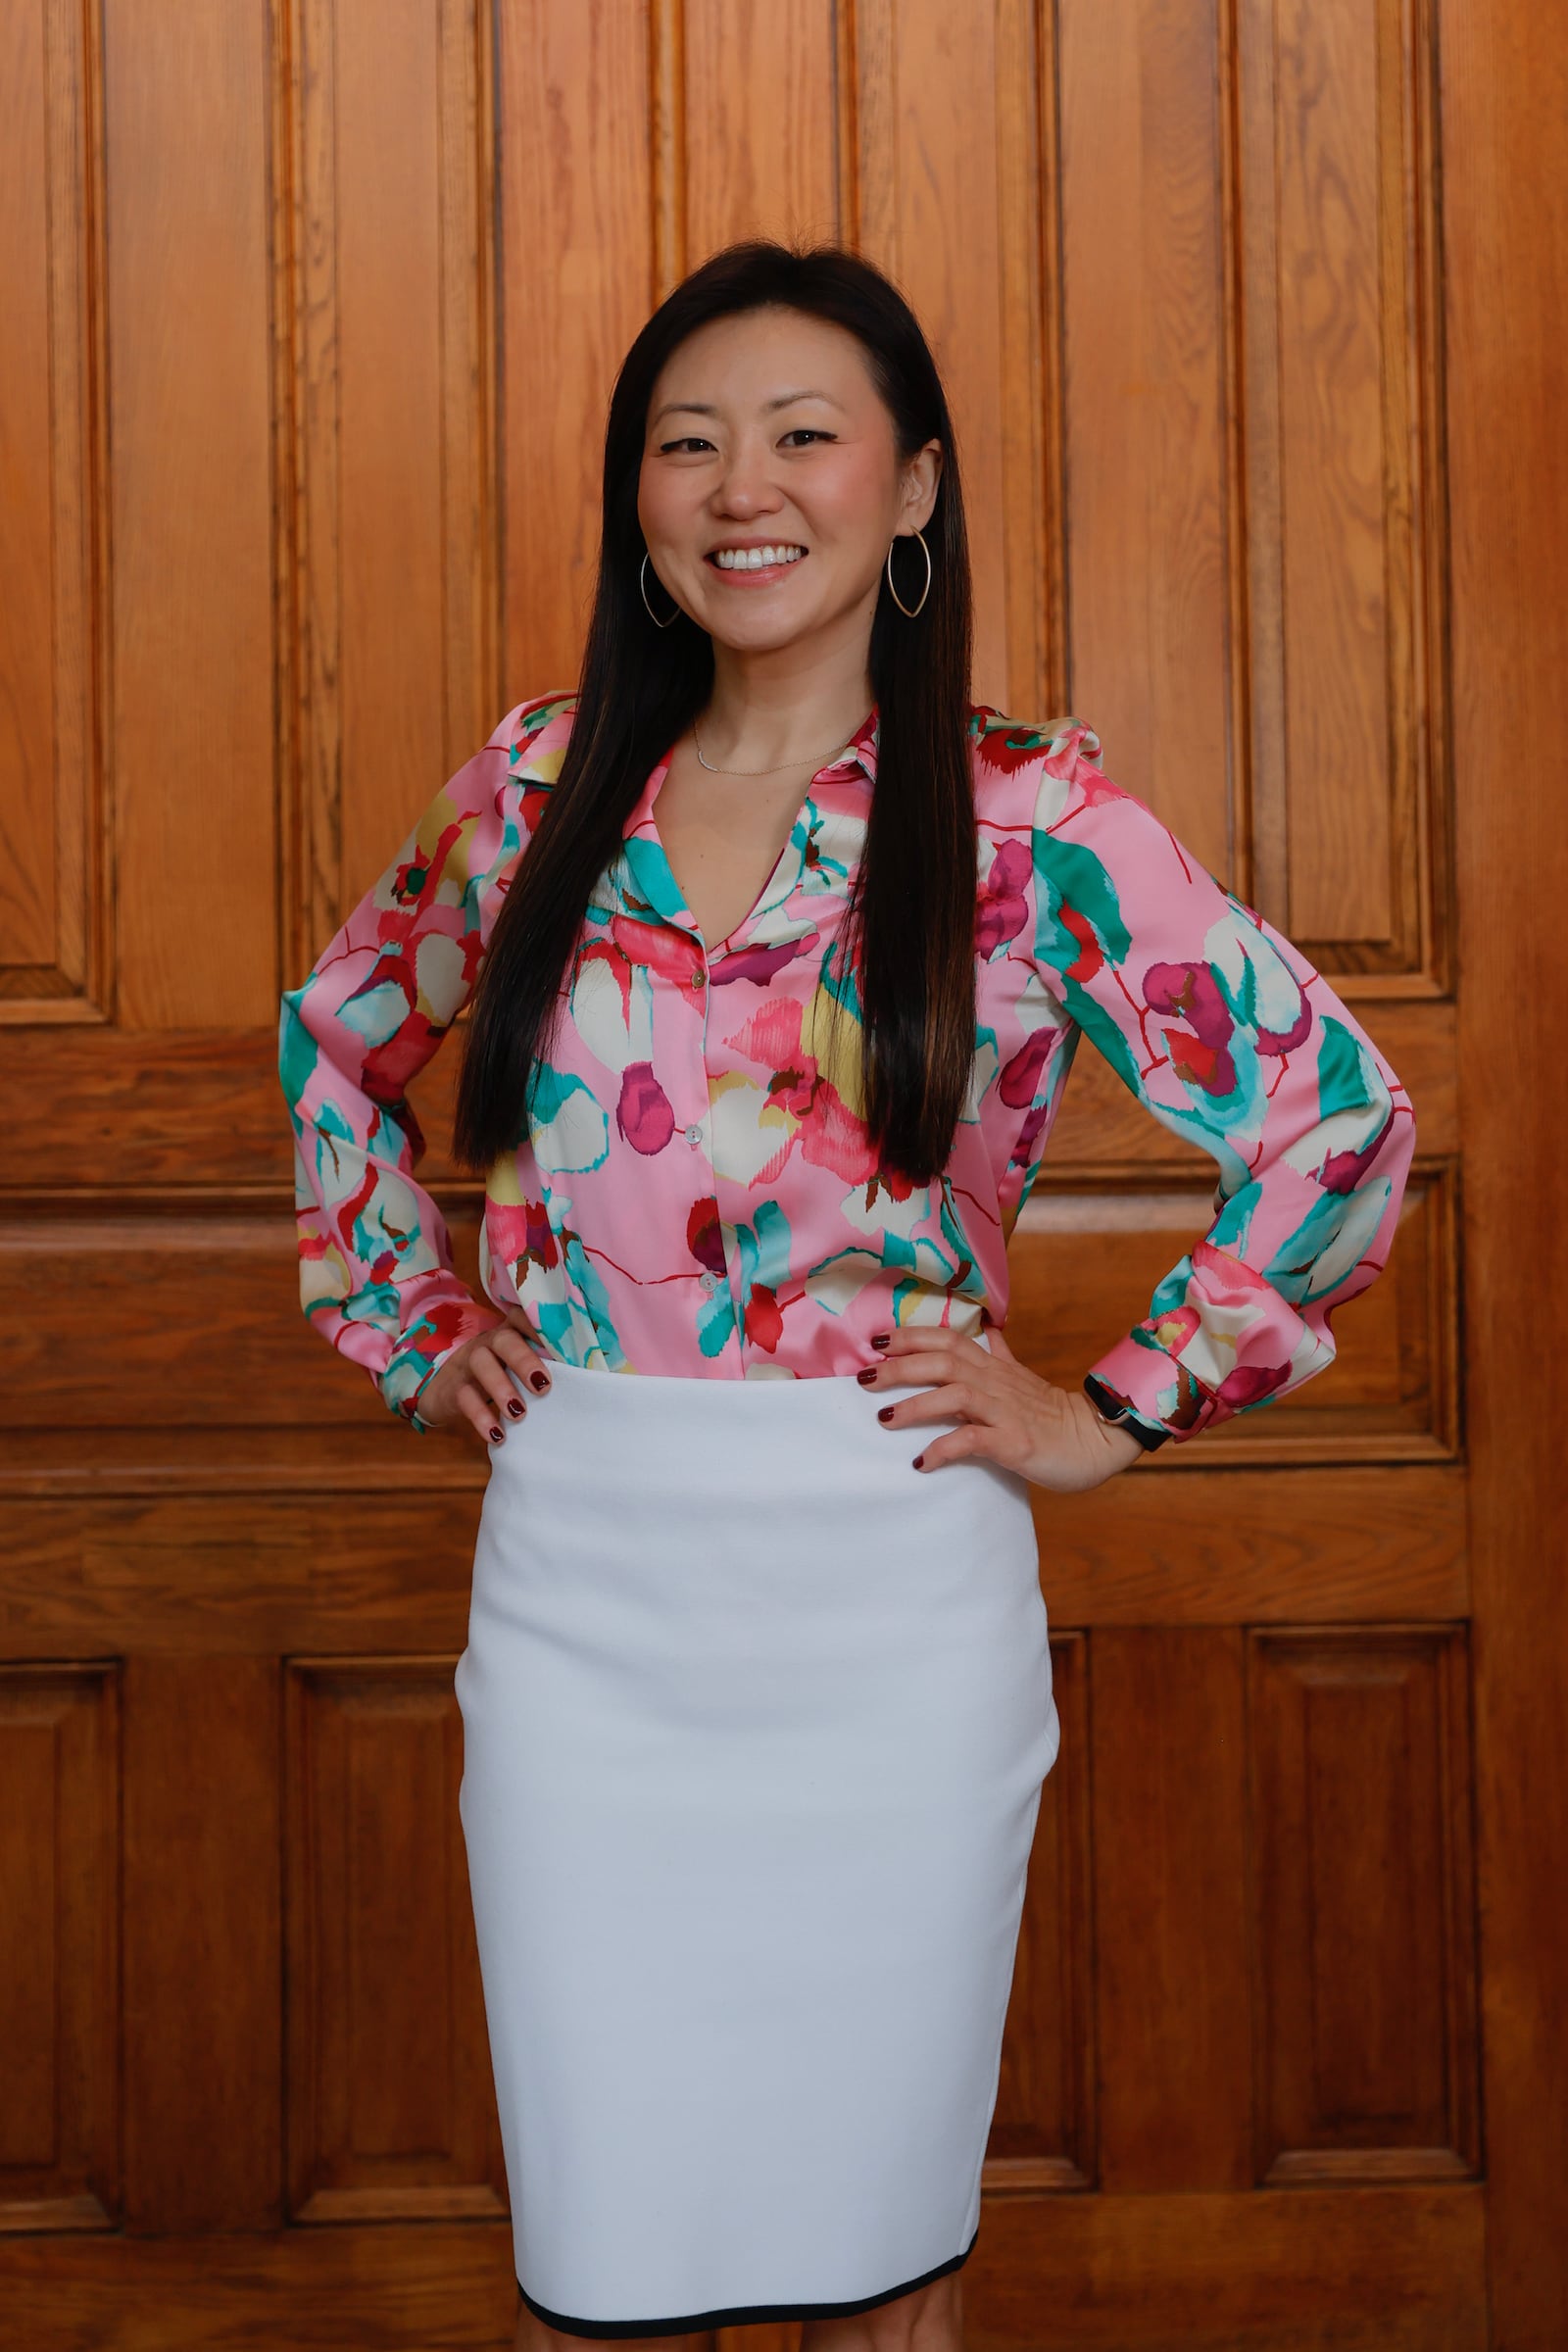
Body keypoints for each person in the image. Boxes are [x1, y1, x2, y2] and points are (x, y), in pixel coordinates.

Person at [280, 238, 1414, 2350]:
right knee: (599, 2275)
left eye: (803, 436)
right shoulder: (534, 790)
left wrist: (1107, 1409)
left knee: (880, 2287)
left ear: (908, 487)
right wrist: (418, 1323)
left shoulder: (1025, 818)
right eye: (686, 445)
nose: (742, 489)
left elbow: (1333, 1116)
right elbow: (337, 1037)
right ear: (637, 499)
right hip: (582, 1599)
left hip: (886, 1608)